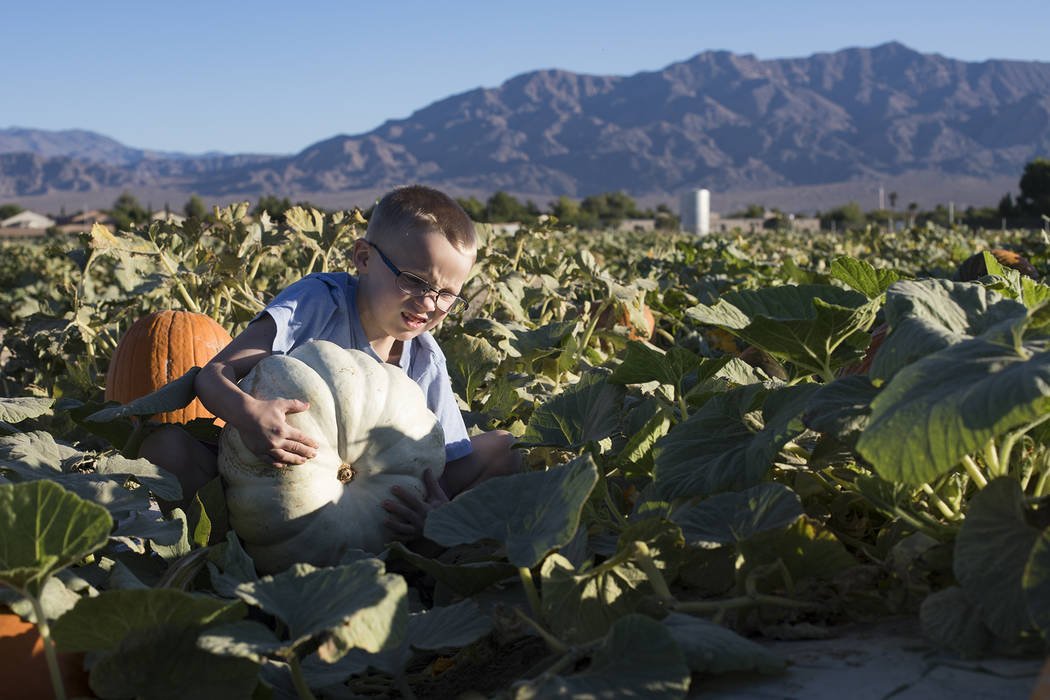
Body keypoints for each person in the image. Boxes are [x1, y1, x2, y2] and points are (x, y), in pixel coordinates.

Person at [140, 185, 520, 544]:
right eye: (415, 281)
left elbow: (446, 467)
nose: (429, 303)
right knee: (166, 449)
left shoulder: (425, 359)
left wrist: (440, 513)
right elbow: (213, 375)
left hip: (376, 515)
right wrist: (247, 414)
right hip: (261, 489)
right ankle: (218, 548)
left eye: (448, 295)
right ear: (363, 259)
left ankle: (423, 551)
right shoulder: (319, 303)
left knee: (503, 449)